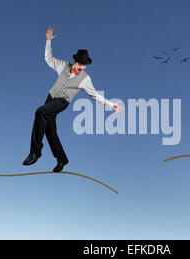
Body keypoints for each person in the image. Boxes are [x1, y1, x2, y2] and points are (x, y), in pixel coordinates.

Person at [23, 25, 124, 172]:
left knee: (40, 112)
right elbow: (48, 58)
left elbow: (95, 95)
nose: (82, 67)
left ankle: (35, 153)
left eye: (84, 65)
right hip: (50, 98)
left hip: (62, 102)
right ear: (74, 61)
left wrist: (112, 105)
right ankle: (62, 159)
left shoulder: (85, 79)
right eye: (80, 64)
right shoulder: (63, 66)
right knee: (50, 130)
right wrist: (48, 41)